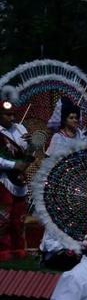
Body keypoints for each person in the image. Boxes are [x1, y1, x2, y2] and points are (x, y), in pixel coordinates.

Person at [0, 96, 32, 261]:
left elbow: (27, 152)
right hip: (3, 179)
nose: (12, 118)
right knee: (4, 217)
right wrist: (13, 165)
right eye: (7, 114)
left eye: (13, 114)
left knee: (18, 217)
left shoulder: (20, 129)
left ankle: (19, 248)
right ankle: (3, 250)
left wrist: (31, 145)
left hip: (20, 178)